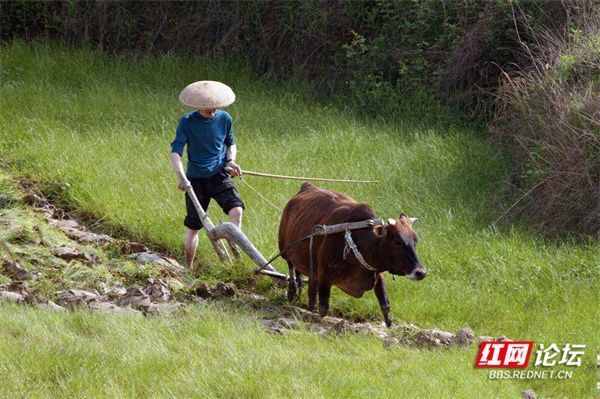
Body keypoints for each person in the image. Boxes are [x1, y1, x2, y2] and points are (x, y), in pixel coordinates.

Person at [170, 80, 244, 268]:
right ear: (198, 106)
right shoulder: (187, 122)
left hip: (219, 175)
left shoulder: (224, 118)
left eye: (213, 106)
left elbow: (230, 143)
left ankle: (236, 258)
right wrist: (182, 177)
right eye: (206, 107)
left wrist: (231, 161)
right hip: (195, 180)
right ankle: (189, 268)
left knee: (236, 210)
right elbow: (176, 151)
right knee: (193, 227)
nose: (211, 109)